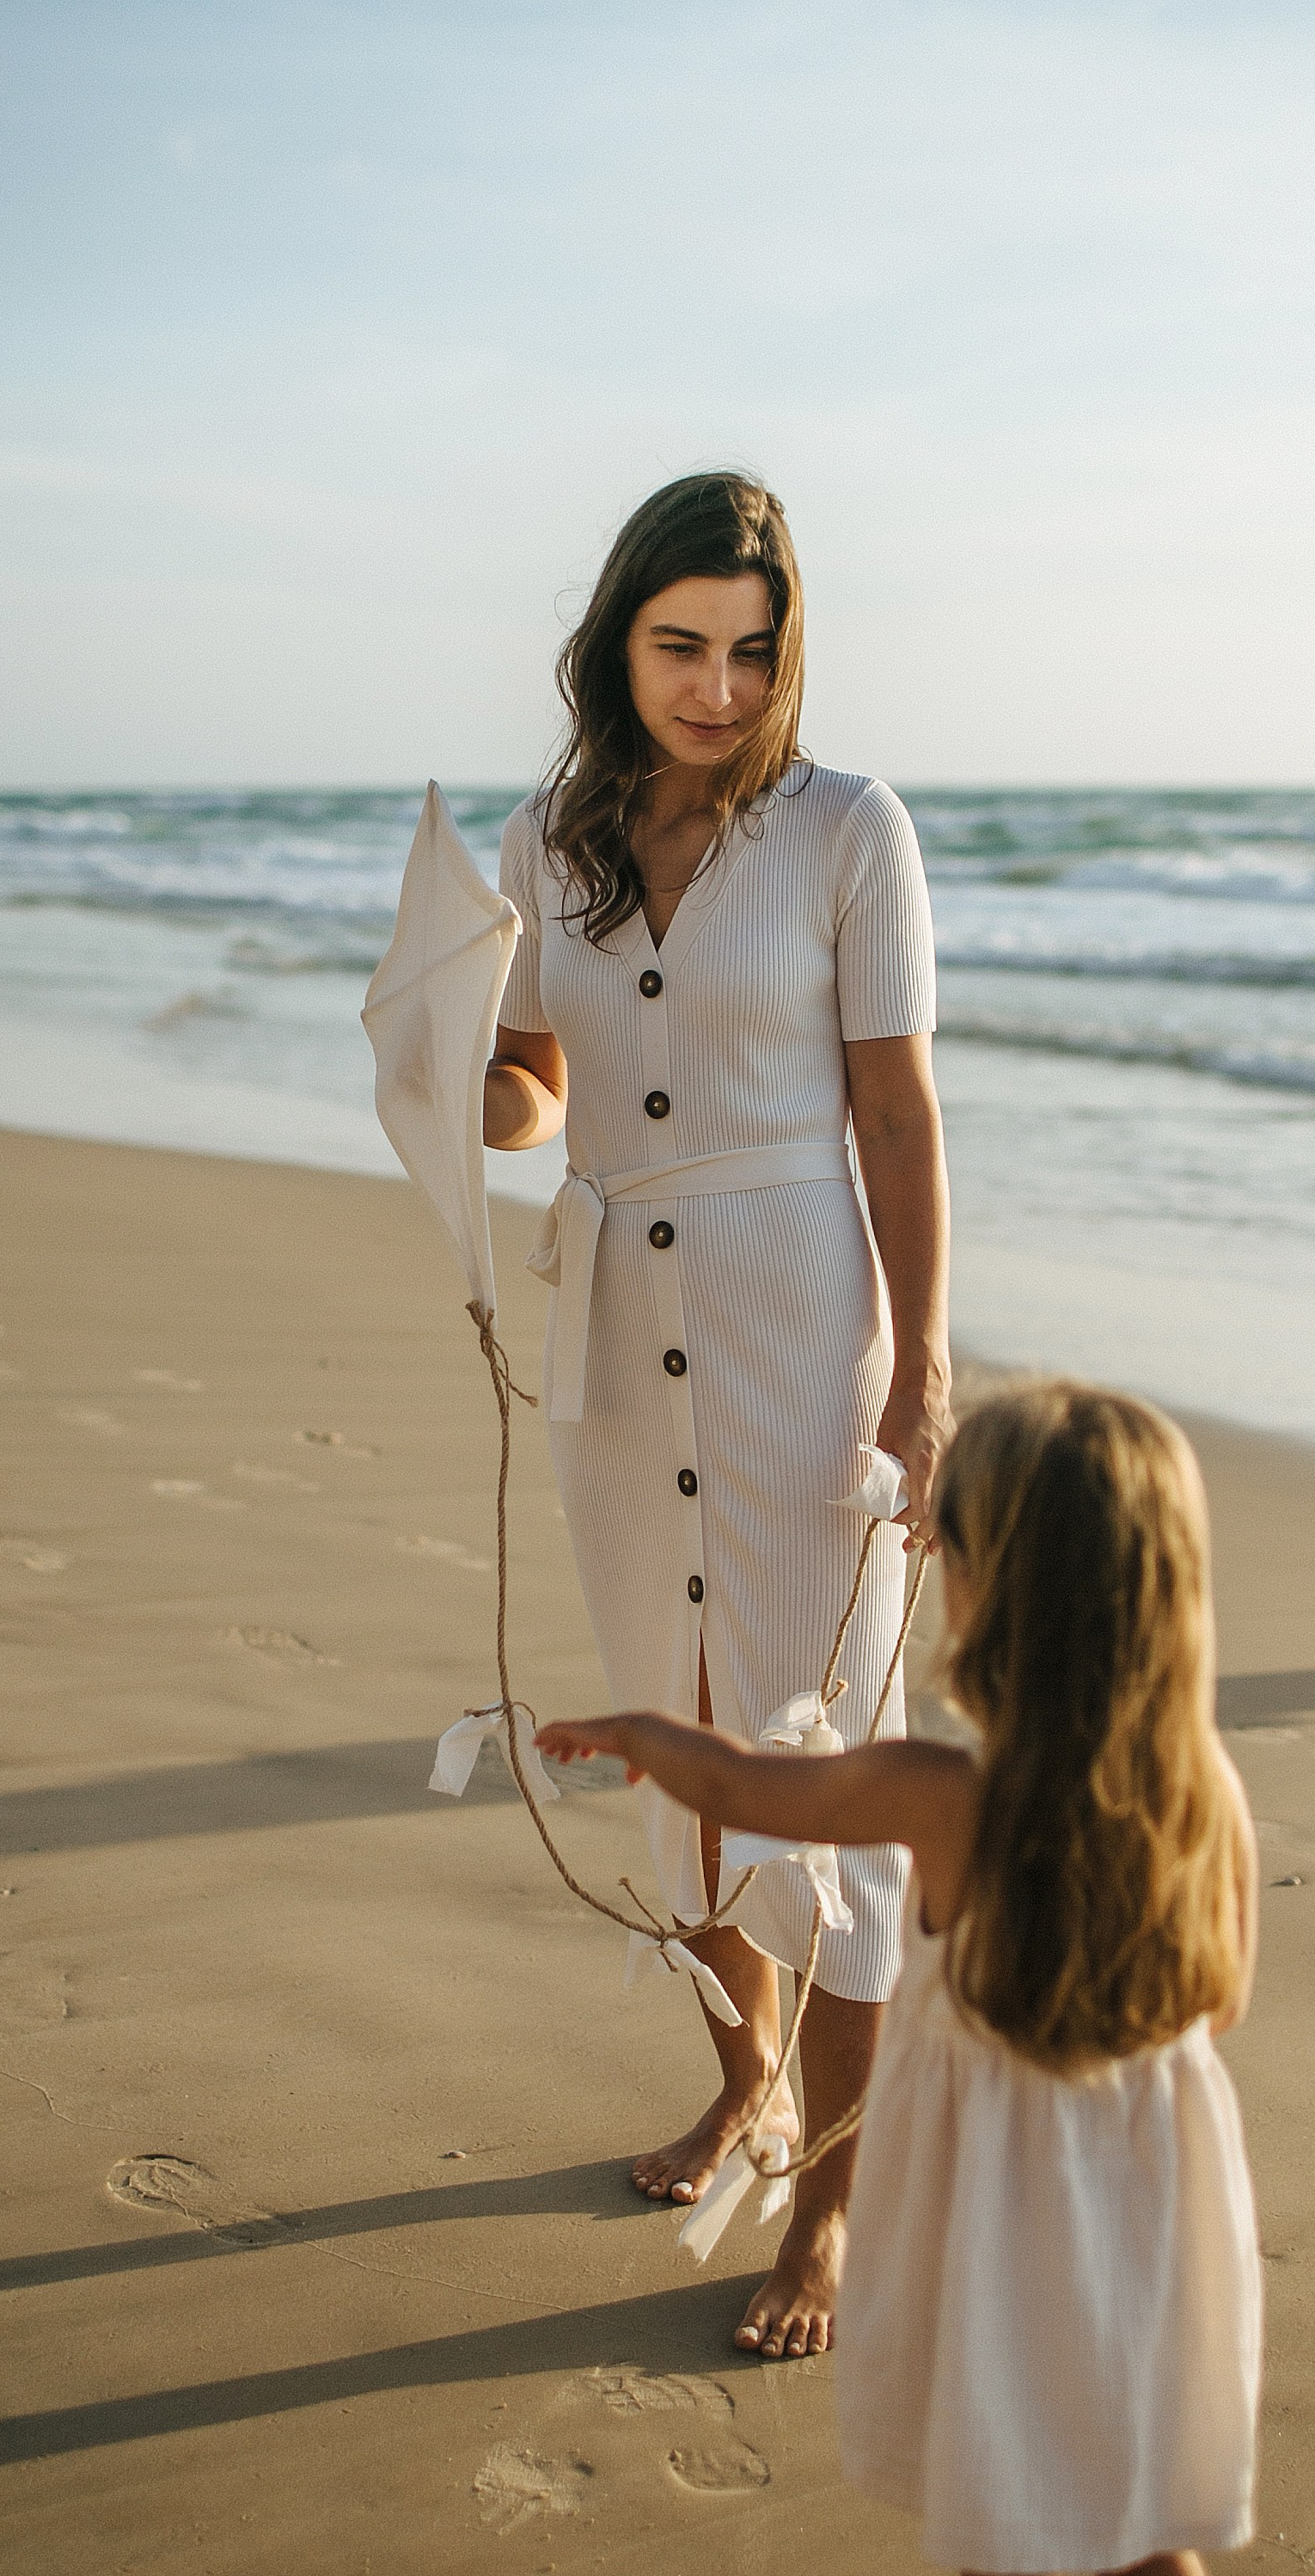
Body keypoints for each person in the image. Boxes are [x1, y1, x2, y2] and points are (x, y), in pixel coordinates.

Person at [535, 1382, 1264, 2576]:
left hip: (1016, 2223)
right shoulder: (1209, 1796)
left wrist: (644, 1732)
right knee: (1146, 2536)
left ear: (996, 1598)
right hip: (1159, 2210)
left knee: (1015, 2559)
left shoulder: (946, 1795)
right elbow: (1225, 1995)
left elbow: (752, 1793)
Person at [483, 471, 952, 2362]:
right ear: (617, 642)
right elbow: (528, 1082)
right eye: (680, 645)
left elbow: (899, 1113)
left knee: (821, 1745)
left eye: (749, 652)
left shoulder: (850, 828)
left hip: (799, 1317)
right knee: (670, 1727)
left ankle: (827, 2204)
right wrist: (461, 1094)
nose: (715, 684)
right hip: (611, 1318)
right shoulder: (549, 837)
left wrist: (923, 1370)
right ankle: (745, 2072)